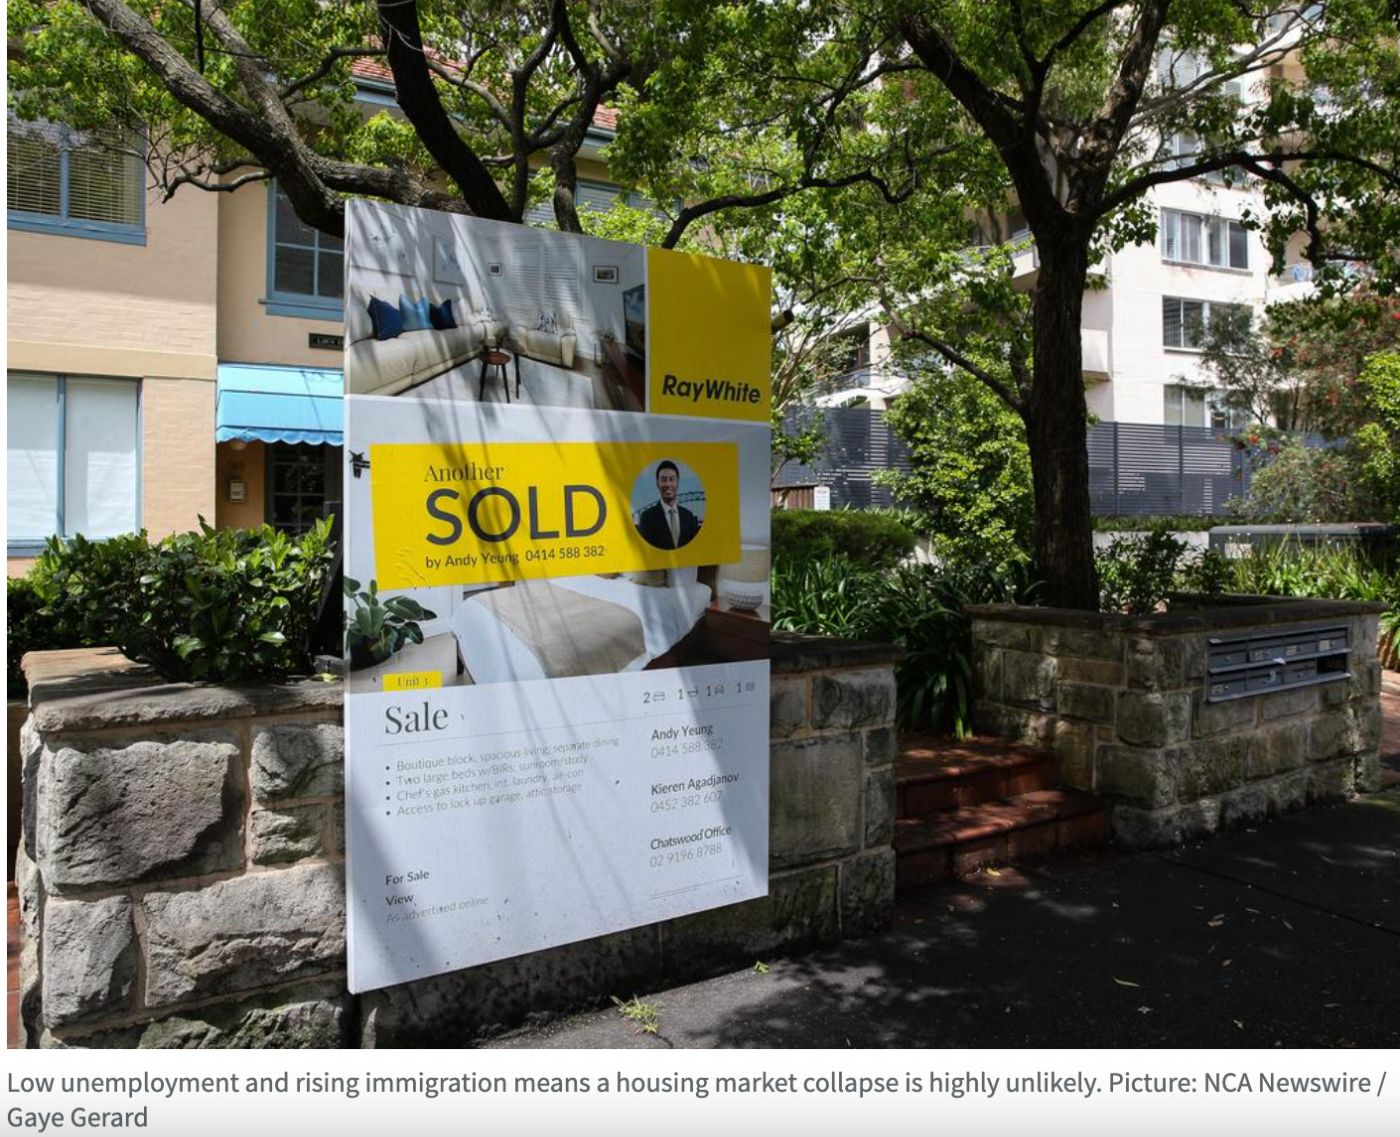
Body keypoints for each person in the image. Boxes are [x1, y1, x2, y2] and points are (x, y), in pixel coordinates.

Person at [635, 460, 701, 550]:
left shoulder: (688, 516)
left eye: (672, 479)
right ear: (657, 483)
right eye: (663, 480)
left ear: (677, 483)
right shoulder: (647, 518)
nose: (668, 484)